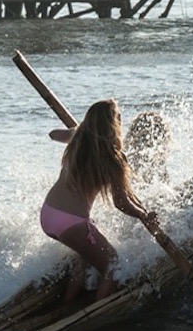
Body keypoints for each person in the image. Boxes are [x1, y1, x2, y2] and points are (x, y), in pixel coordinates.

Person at [41, 99, 155, 302]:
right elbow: (121, 203)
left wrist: (77, 131)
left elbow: (53, 135)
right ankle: (94, 311)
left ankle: (67, 303)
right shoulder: (115, 158)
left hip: (49, 214)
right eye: (119, 117)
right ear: (114, 124)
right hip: (72, 222)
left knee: (84, 258)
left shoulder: (77, 139)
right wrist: (143, 215)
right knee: (113, 265)